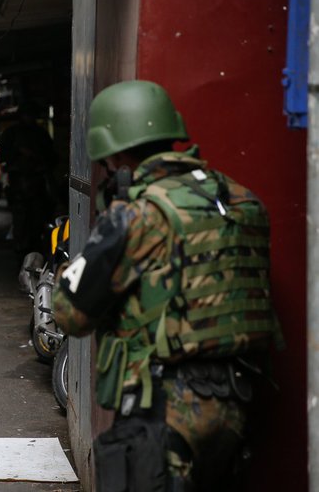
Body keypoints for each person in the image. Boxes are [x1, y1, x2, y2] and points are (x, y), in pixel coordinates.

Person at [52, 80, 282, 491]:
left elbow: (70, 313)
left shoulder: (138, 215)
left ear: (117, 151)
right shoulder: (240, 199)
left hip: (162, 406)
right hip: (236, 401)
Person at [0, 108, 57, 257]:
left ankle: (32, 247)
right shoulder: (12, 134)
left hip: (35, 184)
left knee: (36, 221)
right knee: (21, 220)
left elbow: (51, 157)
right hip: (19, 184)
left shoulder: (40, 134)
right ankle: (23, 248)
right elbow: (2, 156)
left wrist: (36, 160)